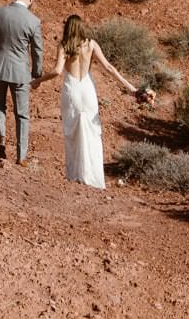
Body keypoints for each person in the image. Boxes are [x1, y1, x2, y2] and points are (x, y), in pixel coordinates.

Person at [36, 13, 137, 189]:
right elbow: (109, 67)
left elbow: (57, 71)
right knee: (92, 133)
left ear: (67, 27)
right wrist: (131, 87)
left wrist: (37, 81)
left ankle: (76, 175)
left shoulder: (64, 46)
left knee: (73, 132)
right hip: (88, 90)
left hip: (72, 90)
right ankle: (94, 178)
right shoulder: (91, 44)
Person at [0, 0, 44, 164]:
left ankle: (1, 138)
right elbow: (37, 51)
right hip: (20, 72)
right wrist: (37, 74)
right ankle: (21, 156)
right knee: (22, 114)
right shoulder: (33, 21)